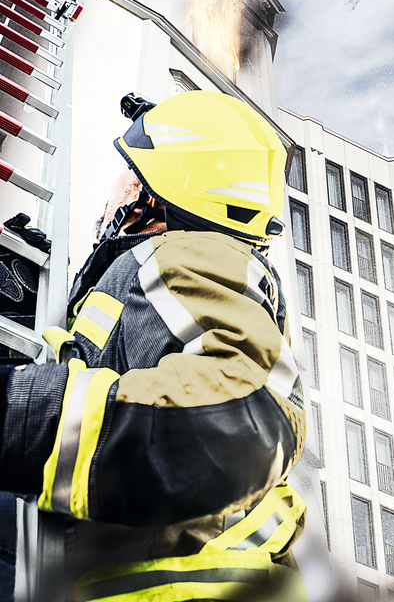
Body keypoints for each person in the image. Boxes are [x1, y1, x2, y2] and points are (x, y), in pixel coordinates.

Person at [0, 90, 307, 601]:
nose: (113, 199)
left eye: (131, 181)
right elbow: (113, 386)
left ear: (161, 202)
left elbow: (243, 416)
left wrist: (19, 408)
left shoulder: (190, 253)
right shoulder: (163, 282)